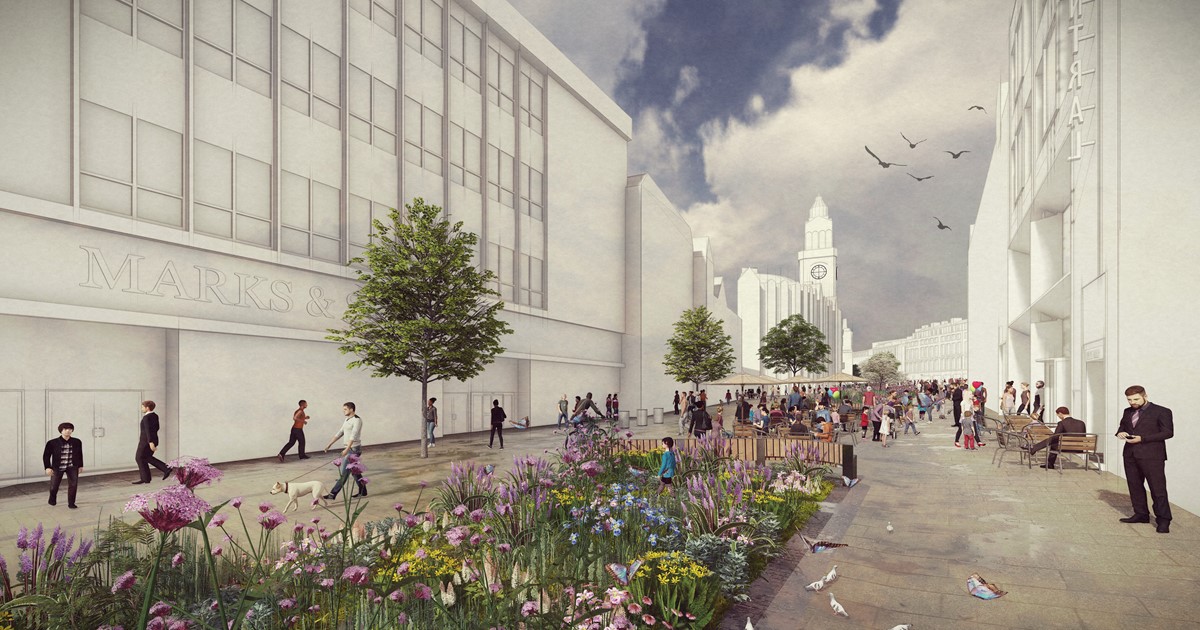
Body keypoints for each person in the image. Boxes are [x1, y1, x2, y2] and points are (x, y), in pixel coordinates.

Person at [1115, 386, 1173, 533]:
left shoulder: (1162, 411)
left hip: (1152, 456)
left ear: (1145, 396)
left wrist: (1143, 439)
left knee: (1157, 488)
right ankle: (1141, 514)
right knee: (1134, 486)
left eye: (1136, 399)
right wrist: (1120, 432)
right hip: (1130, 454)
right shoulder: (1127, 411)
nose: (1132, 402)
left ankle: (1163, 520)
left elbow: (1168, 432)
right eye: (1129, 400)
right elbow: (1122, 425)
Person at [323, 402, 366, 500]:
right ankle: (363, 490)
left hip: (354, 450)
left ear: (351, 409)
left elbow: (353, 435)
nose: (344, 411)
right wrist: (329, 444)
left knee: (344, 474)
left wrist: (347, 449)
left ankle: (333, 494)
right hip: (349, 448)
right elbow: (340, 432)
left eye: (345, 409)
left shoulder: (357, 420)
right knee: (355, 472)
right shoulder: (347, 419)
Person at [43, 422, 83, 509]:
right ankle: (52, 499)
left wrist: (80, 466)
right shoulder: (52, 443)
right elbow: (46, 456)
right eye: (65, 429)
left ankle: (71, 503)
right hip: (58, 467)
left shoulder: (77, 442)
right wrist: (47, 467)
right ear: (61, 431)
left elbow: (80, 454)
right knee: (54, 485)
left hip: (72, 467)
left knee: (73, 485)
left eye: (70, 429)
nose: (68, 431)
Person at [133, 400, 171, 484]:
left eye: (142, 407)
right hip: (153, 440)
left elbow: (148, 430)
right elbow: (157, 428)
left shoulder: (146, 417)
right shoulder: (155, 415)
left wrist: (150, 442)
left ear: (147, 408)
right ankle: (147, 478)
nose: (141, 408)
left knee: (139, 457)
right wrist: (153, 441)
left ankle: (165, 469)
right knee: (146, 457)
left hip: (146, 441)